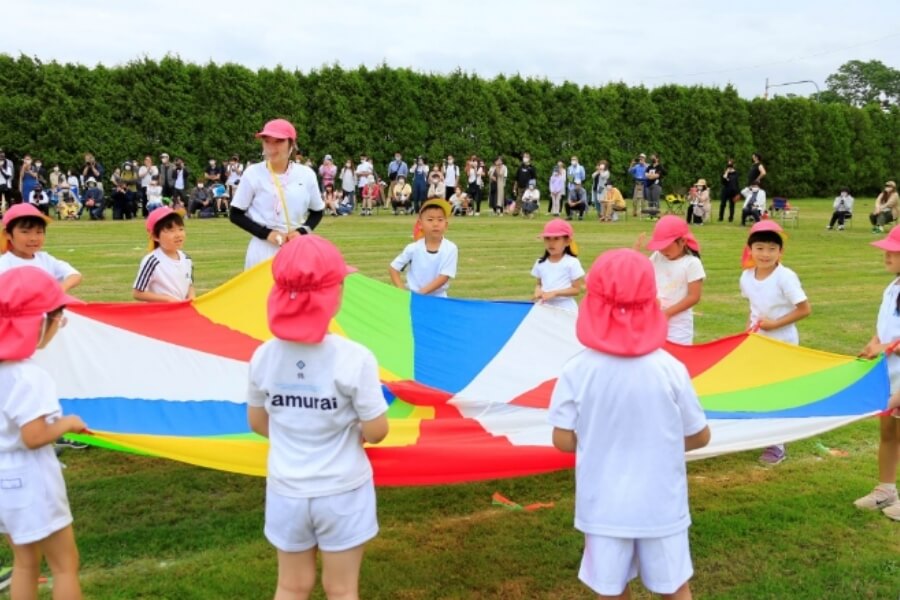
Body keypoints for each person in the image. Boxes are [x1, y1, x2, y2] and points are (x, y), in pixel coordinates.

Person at [549, 248, 710, 600]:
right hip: (661, 503)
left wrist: (599, 441)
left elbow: (562, 439)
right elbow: (699, 435)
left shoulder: (577, 370)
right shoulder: (670, 368)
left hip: (604, 504)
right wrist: (659, 443)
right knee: (675, 586)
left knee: (611, 588)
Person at [247, 234, 389, 600]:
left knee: (291, 586)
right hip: (342, 491)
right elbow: (377, 430)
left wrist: (295, 425)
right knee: (341, 590)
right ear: (333, 295)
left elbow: (258, 422)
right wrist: (354, 430)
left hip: (286, 490)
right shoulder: (355, 358)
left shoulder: (263, 356)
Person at [0, 266, 87, 600]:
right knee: (65, 564)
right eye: (57, 315)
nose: (60, 323)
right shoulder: (28, 377)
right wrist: (68, 423)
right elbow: (33, 435)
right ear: (38, 322)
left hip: (5, 482)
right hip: (30, 480)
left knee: (24, 562)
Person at [740, 220, 811, 465]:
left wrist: (775, 324)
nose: (765, 254)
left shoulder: (785, 277)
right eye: (759, 248)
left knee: (778, 391)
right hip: (757, 342)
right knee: (757, 388)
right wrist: (746, 335)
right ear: (750, 249)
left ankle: (777, 444)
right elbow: (753, 308)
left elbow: (804, 309)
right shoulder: (747, 277)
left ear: (780, 252)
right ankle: (762, 432)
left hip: (782, 343)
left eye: (772, 248)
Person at [229, 119, 325, 271]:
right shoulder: (253, 173)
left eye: (279, 142)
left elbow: (317, 211)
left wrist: (301, 232)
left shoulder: (306, 174)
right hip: (262, 250)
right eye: (267, 141)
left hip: (296, 250)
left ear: (291, 145)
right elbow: (235, 214)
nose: (271, 148)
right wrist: (267, 234)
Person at [854, 226, 900, 521]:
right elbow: (885, 325)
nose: (886, 254)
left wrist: (885, 345)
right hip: (890, 373)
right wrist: (874, 342)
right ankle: (886, 489)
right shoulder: (893, 286)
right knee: (889, 433)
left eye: (893, 251)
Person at [637, 216, 705, 344]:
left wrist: (667, 313)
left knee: (677, 358)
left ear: (683, 241)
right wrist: (634, 256)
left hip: (678, 327)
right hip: (654, 320)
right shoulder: (658, 256)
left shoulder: (691, 263)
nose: (662, 250)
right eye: (660, 246)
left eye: (666, 245)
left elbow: (694, 296)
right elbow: (643, 273)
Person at [0, 203, 82, 292]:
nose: (33, 238)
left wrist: (59, 290)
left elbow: (74, 275)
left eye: (39, 232)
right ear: (7, 234)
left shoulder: (45, 259)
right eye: (25, 232)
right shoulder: (5, 264)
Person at [389, 199, 458, 297]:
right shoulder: (413, 248)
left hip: (439, 299)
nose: (435, 224)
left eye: (440, 219)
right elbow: (393, 268)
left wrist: (421, 294)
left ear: (446, 225)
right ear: (420, 224)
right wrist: (402, 291)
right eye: (430, 220)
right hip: (414, 298)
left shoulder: (450, 248)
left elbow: (444, 277)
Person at [132, 207, 194, 303]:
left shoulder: (187, 259)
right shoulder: (152, 261)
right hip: (159, 314)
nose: (178, 234)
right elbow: (138, 293)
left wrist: (191, 296)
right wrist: (168, 299)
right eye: (171, 231)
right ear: (156, 236)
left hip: (180, 313)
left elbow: (189, 284)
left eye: (180, 229)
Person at [531, 218, 585, 312]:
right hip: (545, 307)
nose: (551, 243)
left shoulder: (572, 262)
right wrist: (538, 290)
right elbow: (539, 284)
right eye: (547, 239)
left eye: (556, 239)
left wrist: (555, 293)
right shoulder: (540, 262)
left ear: (567, 241)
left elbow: (576, 290)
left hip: (565, 309)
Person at [719, 158, 739, 222]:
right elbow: (723, 181)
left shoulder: (735, 173)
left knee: (732, 205)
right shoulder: (725, 172)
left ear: (733, 165)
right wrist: (726, 173)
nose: (729, 166)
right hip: (725, 190)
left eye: (731, 164)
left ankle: (731, 218)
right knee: (722, 204)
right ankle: (721, 217)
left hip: (733, 191)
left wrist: (737, 193)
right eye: (728, 164)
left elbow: (735, 183)